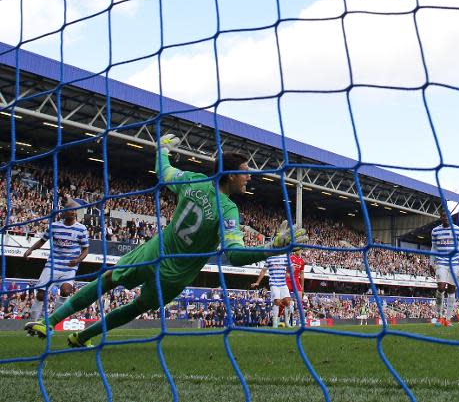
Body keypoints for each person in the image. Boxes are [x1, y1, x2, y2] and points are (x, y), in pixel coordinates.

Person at [25, 133, 307, 347]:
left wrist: (161, 150)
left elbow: (164, 172)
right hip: (178, 271)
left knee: (110, 278)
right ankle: (81, 336)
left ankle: (50, 323)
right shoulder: (229, 209)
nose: (248, 178)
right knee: (136, 306)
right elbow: (234, 254)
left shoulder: (194, 180)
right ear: (231, 176)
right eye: (245, 173)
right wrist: (272, 248)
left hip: (156, 250)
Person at [23, 198, 89, 326]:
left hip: (70, 267)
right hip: (52, 264)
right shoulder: (54, 226)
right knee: (41, 294)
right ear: (64, 212)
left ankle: (51, 323)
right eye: (70, 210)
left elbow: (86, 250)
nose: (73, 212)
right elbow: (42, 240)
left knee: (65, 291)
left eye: (74, 210)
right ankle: (32, 324)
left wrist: (78, 260)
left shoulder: (81, 229)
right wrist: (30, 249)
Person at [430, 207, 459, 327]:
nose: (446, 218)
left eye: (447, 215)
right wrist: (431, 263)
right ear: (440, 217)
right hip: (441, 262)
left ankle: (447, 319)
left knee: (452, 290)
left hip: (455, 263)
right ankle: (438, 316)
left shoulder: (458, 230)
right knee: (441, 287)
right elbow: (434, 248)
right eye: (443, 216)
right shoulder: (435, 231)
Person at [252, 253, 291, 328]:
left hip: (283, 283)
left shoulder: (284, 256)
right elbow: (263, 270)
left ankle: (287, 322)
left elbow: (291, 267)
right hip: (274, 283)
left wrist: (288, 273)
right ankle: (275, 323)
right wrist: (257, 282)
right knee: (277, 301)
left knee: (287, 301)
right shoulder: (269, 258)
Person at [285, 248, 305, 326]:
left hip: (296, 280)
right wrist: (287, 276)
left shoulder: (302, 261)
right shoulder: (290, 258)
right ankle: (287, 321)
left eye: (301, 250)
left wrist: (302, 286)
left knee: (300, 300)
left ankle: (301, 321)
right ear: (295, 250)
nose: (300, 251)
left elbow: (302, 274)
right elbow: (286, 271)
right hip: (289, 279)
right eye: (299, 249)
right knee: (287, 301)